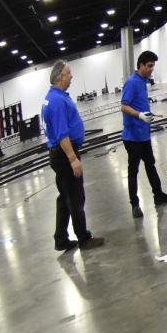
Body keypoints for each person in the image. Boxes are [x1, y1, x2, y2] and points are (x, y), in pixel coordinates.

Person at [41, 60, 104, 251]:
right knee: (75, 197)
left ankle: (60, 239)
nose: (71, 77)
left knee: (65, 197)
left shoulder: (52, 97)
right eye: (69, 74)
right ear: (60, 76)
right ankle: (84, 238)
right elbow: (62, 135)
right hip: (64, 154)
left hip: (58, 154)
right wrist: (73, 158)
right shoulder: (57, 101)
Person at [120, 50, 167, 218]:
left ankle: (158, 195)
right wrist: (139, 115)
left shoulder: (142, 82)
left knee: (150, 164)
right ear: (141, 65)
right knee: (133, 171)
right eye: (150, 66)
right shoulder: (132, 82)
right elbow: (124, 106)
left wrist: (147, 115)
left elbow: (138, 104)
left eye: (153, 66)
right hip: (133, 136)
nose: (152, 69)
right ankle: (135, 205)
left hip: (143, 134)